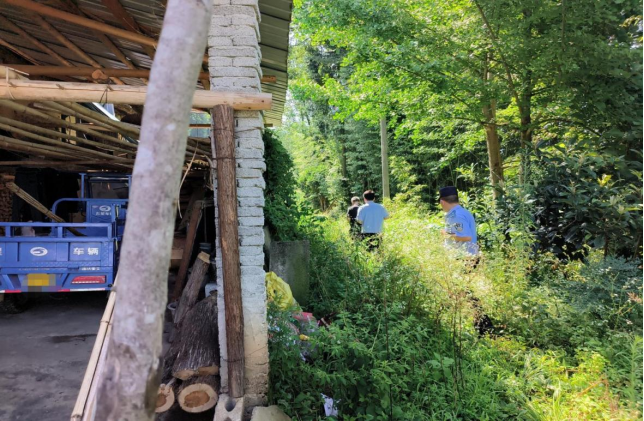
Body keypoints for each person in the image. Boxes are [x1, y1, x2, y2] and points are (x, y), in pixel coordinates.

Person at [439, 186, 479, 256]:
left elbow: (466, 237)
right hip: (466, 257)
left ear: (442, 202)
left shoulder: (456, 215)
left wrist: (446, 234)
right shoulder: (463, 212)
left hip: (464, 258)